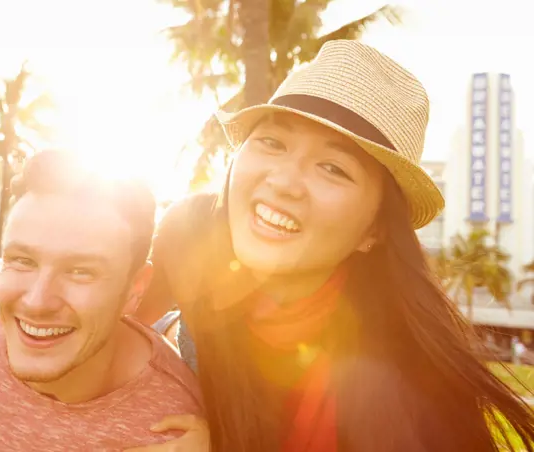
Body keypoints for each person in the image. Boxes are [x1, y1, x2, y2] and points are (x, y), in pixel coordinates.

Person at [132, 40, 534, 452]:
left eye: (333, 168)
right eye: (272, 142)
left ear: (373, 231)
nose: (284, 182)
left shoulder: (418, 402)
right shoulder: (167, 343)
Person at [0, 150, 202, 451]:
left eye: (81, 271)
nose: (36, 302)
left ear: (135, 287)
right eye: (23, 260)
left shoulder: (171, 429)